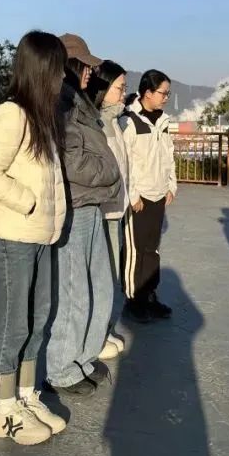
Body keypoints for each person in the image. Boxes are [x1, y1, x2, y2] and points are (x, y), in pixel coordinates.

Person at [0, 31, 69, 444]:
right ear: (42, 70)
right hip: (12, 235)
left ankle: (26, 394)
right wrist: (28, 201)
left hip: (39, 235)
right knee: (10, 322)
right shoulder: (11, 114)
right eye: (59, 69)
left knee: (37, 317)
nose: (63, 78)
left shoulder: (42, 118)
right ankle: (3, 409)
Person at [45, 34, 123, 396]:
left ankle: (83, 358)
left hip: (90, 204)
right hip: (75, 206)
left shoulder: (77, 100)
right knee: (74, 291)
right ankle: (61, 369)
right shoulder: (60, 104)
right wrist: (109, 171)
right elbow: (71, 160)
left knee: (99, 287)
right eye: (86, 65)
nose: (91, 71)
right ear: (69, 64)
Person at [121, 70, 178, 322]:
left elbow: (169, 157)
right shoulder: (129, 122)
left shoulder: (163, 122)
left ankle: (149, 296)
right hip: (139, 198)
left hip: (158, 195)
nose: (166, 97)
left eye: (168, 93)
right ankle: (133, 301)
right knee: (136, 251)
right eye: (163, 93)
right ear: (147, 93)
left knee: (152, 250)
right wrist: (133, 195)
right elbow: (125, 162)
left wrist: (171, 186)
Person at [85, 60, 131, 360]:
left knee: (112, 273)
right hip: (102, 211)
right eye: (119, 88)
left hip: (116, 210)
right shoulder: (96, 123)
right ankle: (95, 336)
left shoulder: (114, 121)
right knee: (100, 276)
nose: (123, 94)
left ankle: (104, 328)